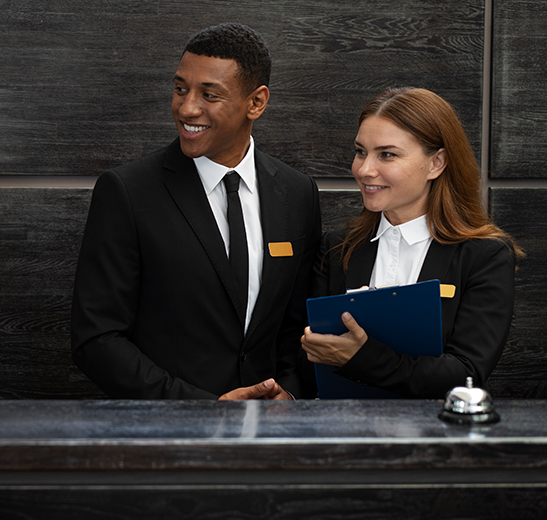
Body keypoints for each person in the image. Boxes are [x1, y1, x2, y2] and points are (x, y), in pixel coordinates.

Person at [71, 23, 322, 400]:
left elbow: (297, 324)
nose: (187, 107)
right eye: (180, 89)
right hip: (168, 438)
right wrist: (202, 408)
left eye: (209, 94)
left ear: (256, 102)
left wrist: (288, 391)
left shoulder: (297, 193)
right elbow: (96, 339)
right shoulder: (128, 191)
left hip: (268, 437)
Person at [301, 87, 521, 398]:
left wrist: (361, 358)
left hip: (438, 440)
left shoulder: (485, 255)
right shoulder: (336, 248)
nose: (364, 170)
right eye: (361, 151)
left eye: (387, 154)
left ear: (437, 163)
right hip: (345, 435)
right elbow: (309, 363)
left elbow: (465, 374)